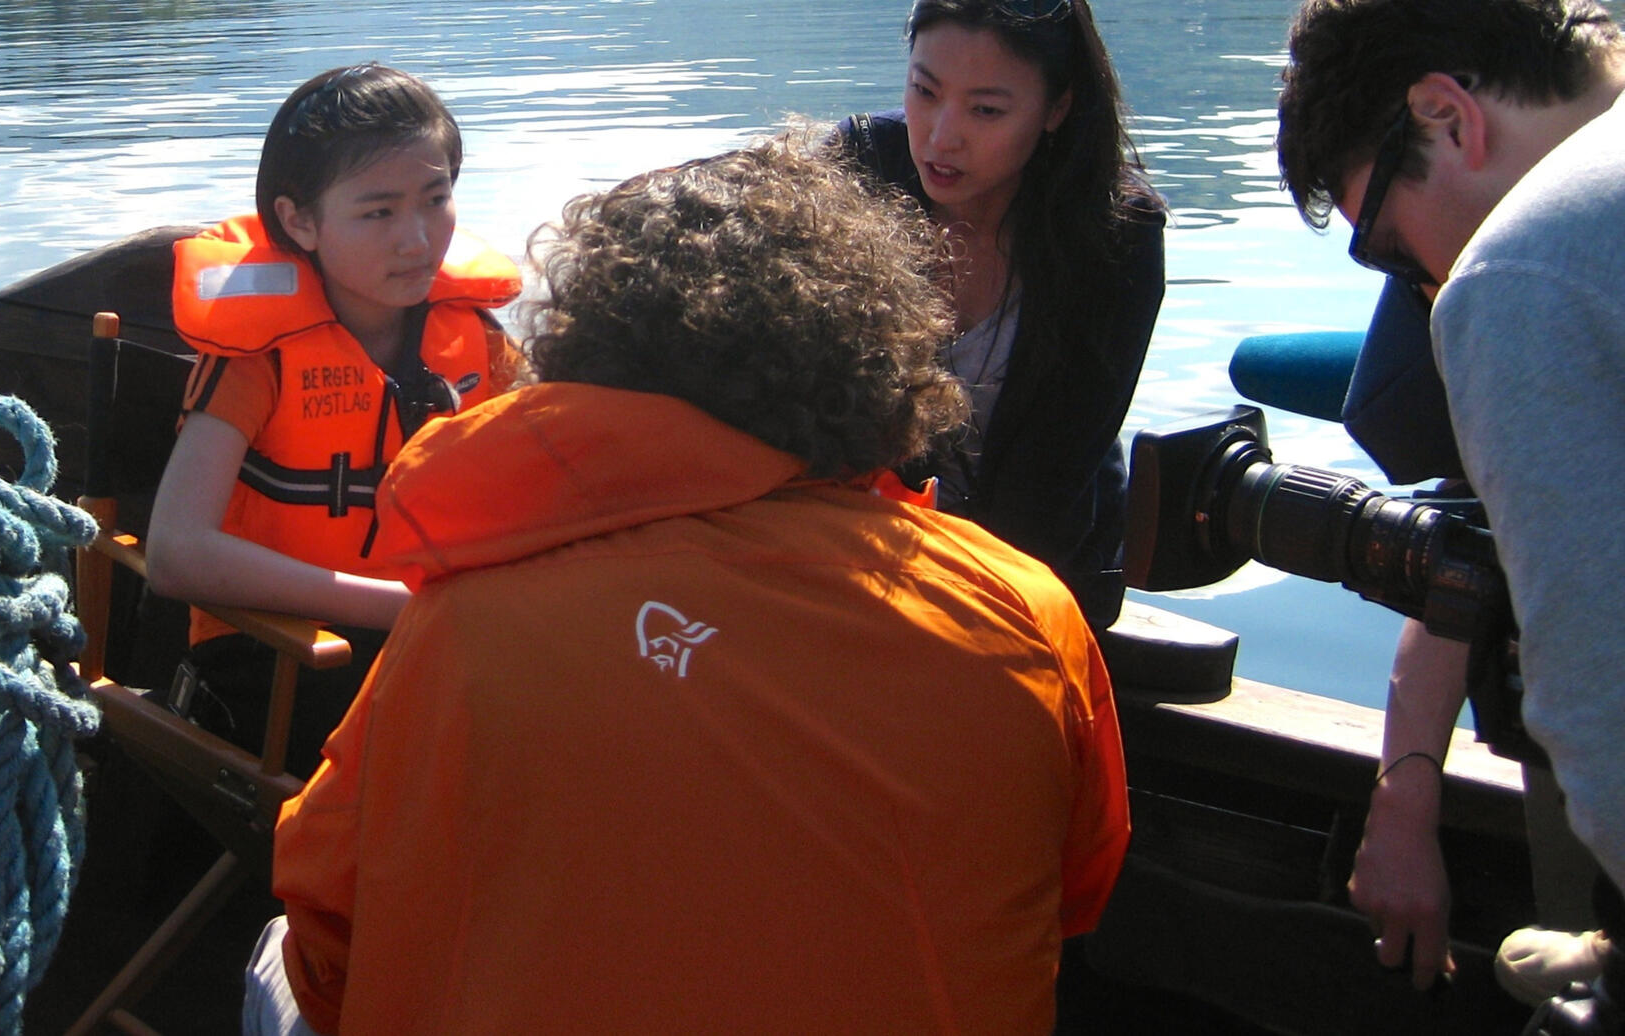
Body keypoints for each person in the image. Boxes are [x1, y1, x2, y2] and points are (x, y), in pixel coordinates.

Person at [245, 132, 1130, 1035]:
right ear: (873, 358)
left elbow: (327, 930)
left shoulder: (466, 628)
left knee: (273, 953)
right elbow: (1075, 893)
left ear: (593, 365)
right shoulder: (1023, 608)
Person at [1277, 0, 1625, 981]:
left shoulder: (1519, 276)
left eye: (1385, 242)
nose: (1422, 285)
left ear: (1446, 115)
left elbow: (1603, 713)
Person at [143, 63, 522, 767]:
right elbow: (175, 552)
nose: (417, 240)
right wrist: (401, 606)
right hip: (287, 657)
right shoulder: (258, 358)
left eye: (435, 199)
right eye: (379, 212)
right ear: (299, 221)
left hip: (443, 639)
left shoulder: (479, 340)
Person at [838, 0, 1164, 622]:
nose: (941, 137)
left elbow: (1050, 486)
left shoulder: (1115, 236)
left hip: (1034, 582)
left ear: (1056, 109)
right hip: (857, 555)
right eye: (924, 91)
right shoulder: (859, 169)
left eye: (985, 110)